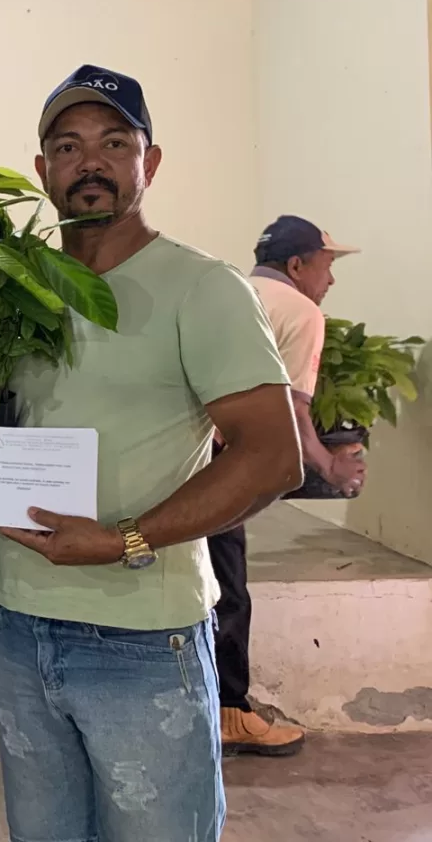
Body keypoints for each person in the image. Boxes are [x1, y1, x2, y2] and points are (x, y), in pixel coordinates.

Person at [0, 67, 302, 841]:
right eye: (68, 146)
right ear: (43, 170)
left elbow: (273, 456)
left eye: (113, 143)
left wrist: (123, 539)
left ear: (148, 162)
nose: (89, 162)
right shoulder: (11, 288)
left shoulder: (202, 288)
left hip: (143, 640)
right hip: (21, 628)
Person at [208, 215, 363, 757]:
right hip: (222, 460)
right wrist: (329, 466)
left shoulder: (226, 291)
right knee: (228, 587)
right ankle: (230, 714)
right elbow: (293, 409)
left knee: (194, 579)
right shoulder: (300, 310)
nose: (331, 279)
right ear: (297, 265)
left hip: (176, 453)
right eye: (327, 265)